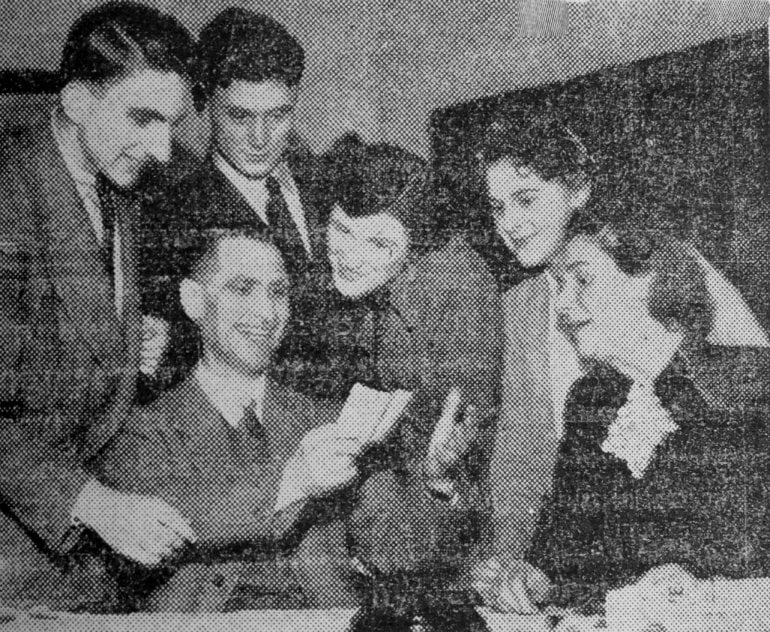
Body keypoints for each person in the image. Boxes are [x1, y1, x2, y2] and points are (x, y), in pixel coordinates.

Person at [471, 110, 770, 562]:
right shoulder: (512, 307)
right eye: (498, 207)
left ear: (578, 190)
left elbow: (741, 394)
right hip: (567, 551)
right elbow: (516, 459)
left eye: (526, 200)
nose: (509, 223)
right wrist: (524, 567)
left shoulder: (663, 264)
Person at [0, 2, 198, 610]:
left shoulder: (115, 190)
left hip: (78, 561)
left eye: (170, 123)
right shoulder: (10, 198)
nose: (161, 149)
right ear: (78, 101)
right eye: (143, 118)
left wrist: (126, 348)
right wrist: (92, 503)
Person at [472, 218, 770, 613]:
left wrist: (698, 583)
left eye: (582, 281)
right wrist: (531, 579)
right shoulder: (591, 400)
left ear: (648, 280)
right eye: (560, 286)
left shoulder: (749, 386)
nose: (563, 305)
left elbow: (744, 554)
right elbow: (560, 556)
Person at [96, 230, 364, 611]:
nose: (266, 313)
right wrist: (292, 482)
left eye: (277, 293)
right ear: (193, 301)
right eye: (242, 289)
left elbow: (396, 548)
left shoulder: (327, 422)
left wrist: (435, 478)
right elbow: (174, 523)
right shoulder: (142, 430)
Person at [321, 135, 502, 629]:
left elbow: (459, 455)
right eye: (341, 229)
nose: (349, 255)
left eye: (378, 243)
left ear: (415, 247)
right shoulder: (377, 288)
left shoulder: (457, 287)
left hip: (444, 546)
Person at [141, 8, 332, 398]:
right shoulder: (171, 219)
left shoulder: (325, 187)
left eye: (278, 115)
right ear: (205, 102)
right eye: (240, 116)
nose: (260, 138)